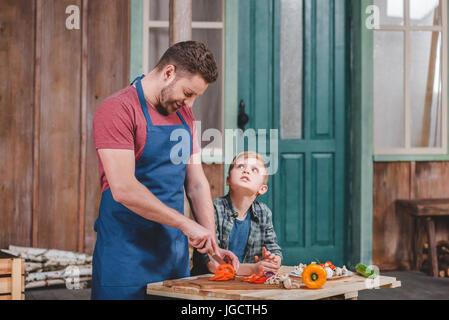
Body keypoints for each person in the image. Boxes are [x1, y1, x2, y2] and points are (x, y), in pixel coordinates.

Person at [91, 41, 239, 300]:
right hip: (124, 256)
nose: (190, 104)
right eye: (188, 92)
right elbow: (124, 188)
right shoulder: (118, 110)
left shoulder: (184, 116)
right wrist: (186, 224)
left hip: (172, 257)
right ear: (168, 73)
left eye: (195, 97)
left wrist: (211, 247)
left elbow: (196, 184)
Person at [192, 151, 282, 276]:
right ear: (228, 180)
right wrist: (253, 269)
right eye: (240, 167)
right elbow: (212, 263)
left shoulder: (264, 213)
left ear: (262, 189)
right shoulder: (214, 208)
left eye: (254, 170)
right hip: (208, 283)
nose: (246, 171)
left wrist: (273, 259)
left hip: (243, 285)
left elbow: (274, 248)